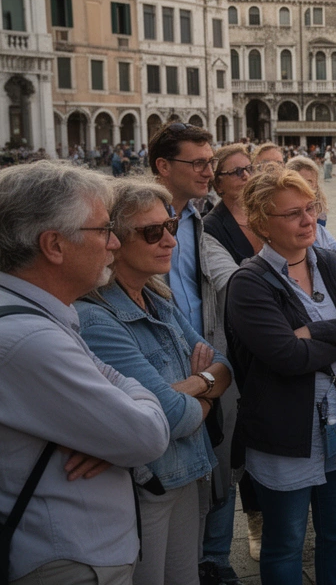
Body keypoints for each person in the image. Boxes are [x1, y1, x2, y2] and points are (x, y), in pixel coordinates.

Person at [0, 162, 171, 583]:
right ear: (54, 245)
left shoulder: (0, 302)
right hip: (69, 558)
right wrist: (130, 404)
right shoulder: (28, 339)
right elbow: (148, 436)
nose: (115, 243)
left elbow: (115, 393)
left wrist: (115, 410)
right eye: (103, 230)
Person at [223, 168, 336, 585]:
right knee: (285, 542)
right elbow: (287, 356)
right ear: (262, 223)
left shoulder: (332, 262)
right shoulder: (249, 283)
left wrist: (313, 331)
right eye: (292, 213)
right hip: (285, 433)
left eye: (310, 207)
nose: (307, 219)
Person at [77, 180, 234, 585]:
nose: (169, 240)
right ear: (114, 240)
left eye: (171, 226)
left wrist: (189, 386)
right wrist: (202, 388)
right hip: (147, 485)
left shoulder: (156, 297)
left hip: (185, 470)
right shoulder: (96, 317)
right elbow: (174, 417)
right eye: (152, 232)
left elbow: (224, 368)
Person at [197, 144, 261, 579]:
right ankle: (252, 522)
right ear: (217, 183)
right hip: (237, 344)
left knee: (267, 431)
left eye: (249, 169)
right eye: (236, 172)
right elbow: (232, 281)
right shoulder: (210, 227)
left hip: (271, 343)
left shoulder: (264, 213)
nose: (245, 176)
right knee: (235, 442)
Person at [148, 123, 215, 347]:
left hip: (200, 349)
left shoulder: (194, 220)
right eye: (198, 164)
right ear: (164, 166)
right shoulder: (133, 223)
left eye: (210, 162)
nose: (209, 173)